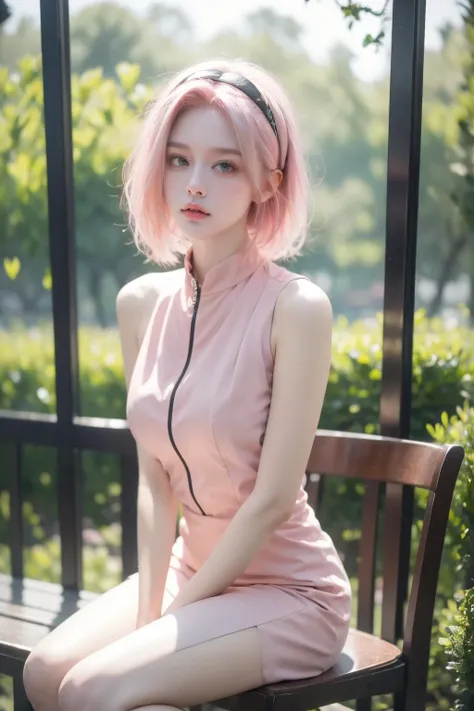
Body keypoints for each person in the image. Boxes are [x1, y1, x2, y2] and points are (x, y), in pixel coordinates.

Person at [23, 58, 351, 711]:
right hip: (190, 566)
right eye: (179, 159)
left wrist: (174, 615)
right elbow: (154, 480)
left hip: (290, 592)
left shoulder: (297, 308)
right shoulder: (141, 303)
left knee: (93, 689)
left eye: (225, 165)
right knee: (43, 674)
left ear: (268, 180)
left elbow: (273, 498)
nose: (195, 183)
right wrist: (154, 609)